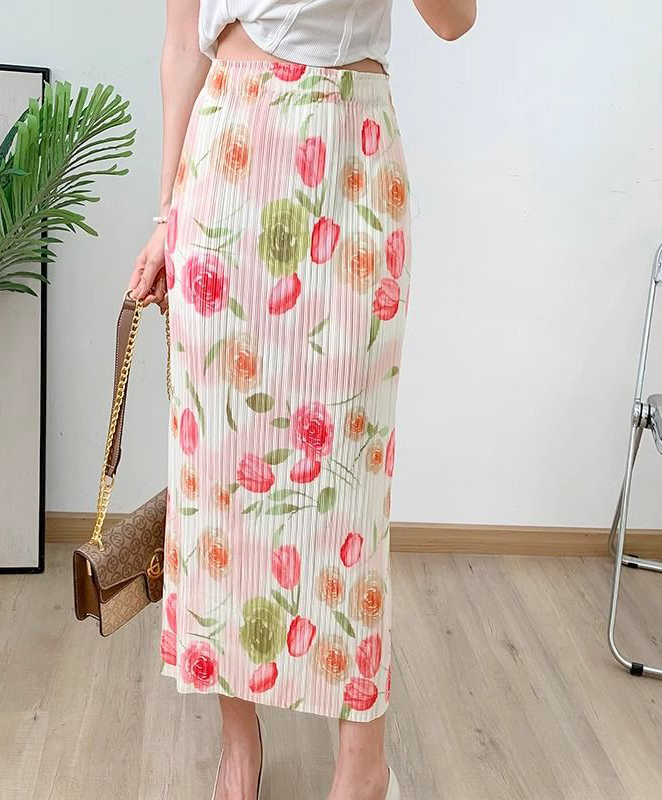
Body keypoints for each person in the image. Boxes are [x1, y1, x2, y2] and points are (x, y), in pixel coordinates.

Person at [129, 2, 476, 798]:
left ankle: (363, 763)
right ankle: (238, 738)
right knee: (219, 477)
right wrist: (166, 213)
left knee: (349, 478)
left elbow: (456, 19)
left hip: (346, 154)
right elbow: (183, 43)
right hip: (223, 162)